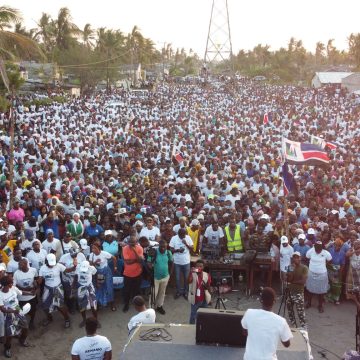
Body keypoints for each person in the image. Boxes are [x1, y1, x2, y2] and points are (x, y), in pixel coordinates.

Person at [241, 287, 293, 360]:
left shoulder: (249, 313)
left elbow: (244, 332)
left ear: (260, 300)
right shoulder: (281, 321)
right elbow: (287, 344)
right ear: (274, 301)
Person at [0, 275, 33, 358]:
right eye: (12, 281)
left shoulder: (13, 288)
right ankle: (7, 348)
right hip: (8, 315)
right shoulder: (0, 295)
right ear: (8, 284)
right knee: (10, 335)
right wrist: (13, 311)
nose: (13, 282)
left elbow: (21, 292)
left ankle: (22, 340)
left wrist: (30, 293)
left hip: (18, 309)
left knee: (25, 327)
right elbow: (3, 309)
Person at [38, 253, 71, 328]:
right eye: (50, 264)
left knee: (60, 306)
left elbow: (67, 270)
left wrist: (74, 267)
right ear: (46, 262)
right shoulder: (42, 268)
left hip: (57, 288)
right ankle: (49, 318)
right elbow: (40, 279)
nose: (52, 265)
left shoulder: (58, 266)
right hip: (47, 289)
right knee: (45, 306)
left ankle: (67, 319)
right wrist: (39, 280)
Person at [147, 239, 173, 314]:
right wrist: (150, 265)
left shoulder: (168, 253)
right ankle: (151, 309)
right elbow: (148, 262)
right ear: (159, 246)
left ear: (166, 246)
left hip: (165, 277)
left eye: (164, 247)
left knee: (162, 292)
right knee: (153, 293)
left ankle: (159, 306)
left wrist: (170, 274)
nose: (163, 248)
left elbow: (171, 263)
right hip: (155, 277)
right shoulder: (153, 252)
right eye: (161, 247)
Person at [89, 242, 117, 311]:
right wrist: (95, 262)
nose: (93, 250)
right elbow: (90, 265)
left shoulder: (104, 253)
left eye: (95, 248)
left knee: (109, 287)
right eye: (92, 248)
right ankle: (99, 303)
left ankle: (112, 303)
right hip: (98, 273)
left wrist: (115, 267)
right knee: (99, 287)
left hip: (106, 272)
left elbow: (114, 258)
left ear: (99, 248)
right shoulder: (91, 255)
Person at [305, 241, 332, 313]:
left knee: (321, 290)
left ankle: (320, 305)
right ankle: (309, 303)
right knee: (310, 289)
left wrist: (324, 265)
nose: (317, 250)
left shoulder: (326, 253)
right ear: (314, 247)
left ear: (322, 248)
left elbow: (330, 260)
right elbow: (307, 257)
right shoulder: (311, 251)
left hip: (322, 274)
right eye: (316, 248)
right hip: (311, 273)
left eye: (319, 249)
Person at [13, 258, 38, 329]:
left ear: (26, 264)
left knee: (33, 310)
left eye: (20, 264)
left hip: (32, 296)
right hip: (21, 298)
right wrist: (24, 289)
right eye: (19, 264)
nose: (19, 266)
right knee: (21, 311)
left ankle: (32, 321)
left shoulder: (33, 270)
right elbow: (14, 286)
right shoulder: (16, 273)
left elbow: (36, 280)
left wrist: (35, 288)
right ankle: (22, 323)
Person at [286, 252, 308, 328]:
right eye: (294, 257)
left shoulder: (304, 268)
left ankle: (303, 327)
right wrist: (292, 270)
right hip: (290, 292)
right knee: (290, 309)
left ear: (300, 258)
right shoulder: (290, 267)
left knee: (300, 312)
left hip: (299, 293)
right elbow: (288, 280)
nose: (296, 259)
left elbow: (303, 281)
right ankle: (293, 325)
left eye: (297, 257)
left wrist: (293, 282)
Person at [169, 228, 193, 299]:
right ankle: (179, 291)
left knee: (186, 278)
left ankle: (185, 292)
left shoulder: (187, 238)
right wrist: (178, 250)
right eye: (182, 235)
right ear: (179, 234)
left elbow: (192, 248)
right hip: (177, 261)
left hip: (186, 261)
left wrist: (186, 243)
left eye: (184, 235)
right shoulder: (174, 238)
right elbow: (171, 250)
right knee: (177, 278)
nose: (184, 236)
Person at [122, 236, 144, 312]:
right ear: (128, 242)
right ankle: (126, 304)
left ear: (136, 242)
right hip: (127, 273)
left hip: (138, 273)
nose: (131, 244)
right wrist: (136, 260)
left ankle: (137, 304)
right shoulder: (125, 248)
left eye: (133, 242)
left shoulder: (140, 248)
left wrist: (134, 251)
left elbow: (140, 261)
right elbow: (127, 262)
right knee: (127, 290)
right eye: (130, 242)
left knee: (137, 290)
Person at [74, 260, 98, 328]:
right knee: (81, 305)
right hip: (81, 287)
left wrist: (96, 283)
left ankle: (96, 320)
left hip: (89, 287)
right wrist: (73, 287)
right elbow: (76, 277)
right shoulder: (78, 268)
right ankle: (84, 320)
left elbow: (95, 274)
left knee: (94, 305)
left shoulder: (92, 268)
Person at [188, 259, 211, 324]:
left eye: (201, 266)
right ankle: (191, 327)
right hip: (195, 299)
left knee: (204, 314)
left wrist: (209, 298)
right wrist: (191, 272)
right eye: (197, 266)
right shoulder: (193, 274)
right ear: (195, 267)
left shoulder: (207, 275)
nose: (199, 268)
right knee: (193, 314)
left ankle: (202, 326)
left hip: (204, 299)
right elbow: (189, 281)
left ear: (203, 267)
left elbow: (208, 286)